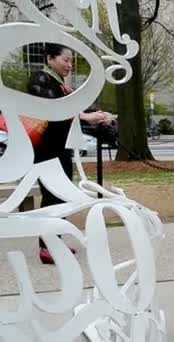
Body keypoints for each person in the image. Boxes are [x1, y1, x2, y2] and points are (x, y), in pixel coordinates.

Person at [30, 43, 112, 264]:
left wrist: (93, 115)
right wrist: (85, 118)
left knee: (61, 195)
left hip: (60, 149)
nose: (69, 65)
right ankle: (47, 246)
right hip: (47, 151)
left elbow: (72, 109)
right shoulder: (40, 80)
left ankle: (53, 242)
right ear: (49, 58)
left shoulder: (59, 83)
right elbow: (53, 110)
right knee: (52, 197)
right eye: (65, 60)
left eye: (71, 61)